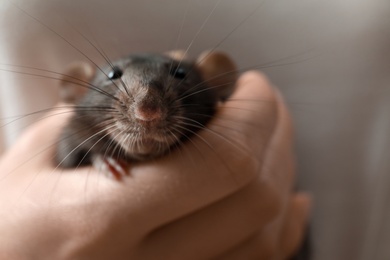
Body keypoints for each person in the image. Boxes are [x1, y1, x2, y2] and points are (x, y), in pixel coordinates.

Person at [0, 71, 310, 259]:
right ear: (77, 88)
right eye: (113, 77)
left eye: (178, 75)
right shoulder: (82, 130)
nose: (146, 109)